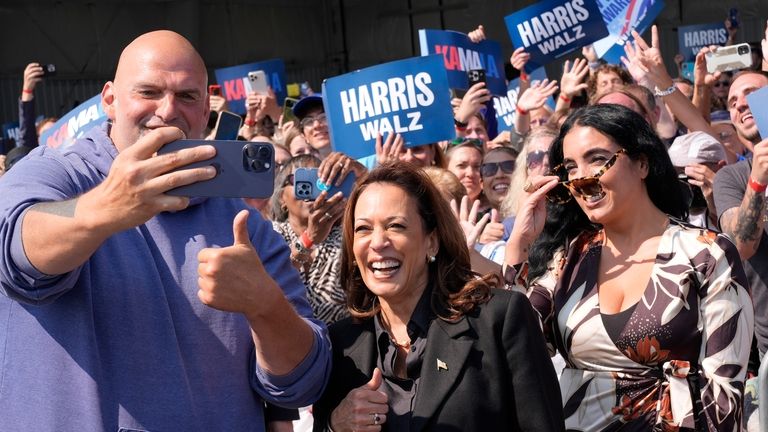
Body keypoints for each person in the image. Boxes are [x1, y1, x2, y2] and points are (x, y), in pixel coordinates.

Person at [0, 30, 330, 430]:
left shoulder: (244, 225)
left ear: (206, 108)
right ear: (110, 100)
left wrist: (265, 305)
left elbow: (303, 382)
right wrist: (105, 208)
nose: (168, 109)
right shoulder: (56, 172)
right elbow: (16, 250)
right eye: (149, 91)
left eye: (187, 96)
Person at [506, 104, 753, 430]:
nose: (581, 178)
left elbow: (724, 390)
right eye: (570, 167)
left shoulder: (707, 253)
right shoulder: (570, 257)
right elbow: (519, 347)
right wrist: (518, 247)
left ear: (642, 163)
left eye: (596, 159)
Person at [312, 162, 564, 431]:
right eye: (363, 229)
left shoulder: (498, 319)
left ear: (431, 240)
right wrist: (335, 425)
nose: (377, 242)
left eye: (395, 226)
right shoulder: (340, 344)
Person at [270, 155, 348, 324]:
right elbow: (268, 279)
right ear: (282, 198)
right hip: (287, 337)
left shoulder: (348, 235)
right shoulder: (270, 233)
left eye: (318, 179)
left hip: (345, 343)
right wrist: (309, 238)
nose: (310, 187)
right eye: (298, 179)